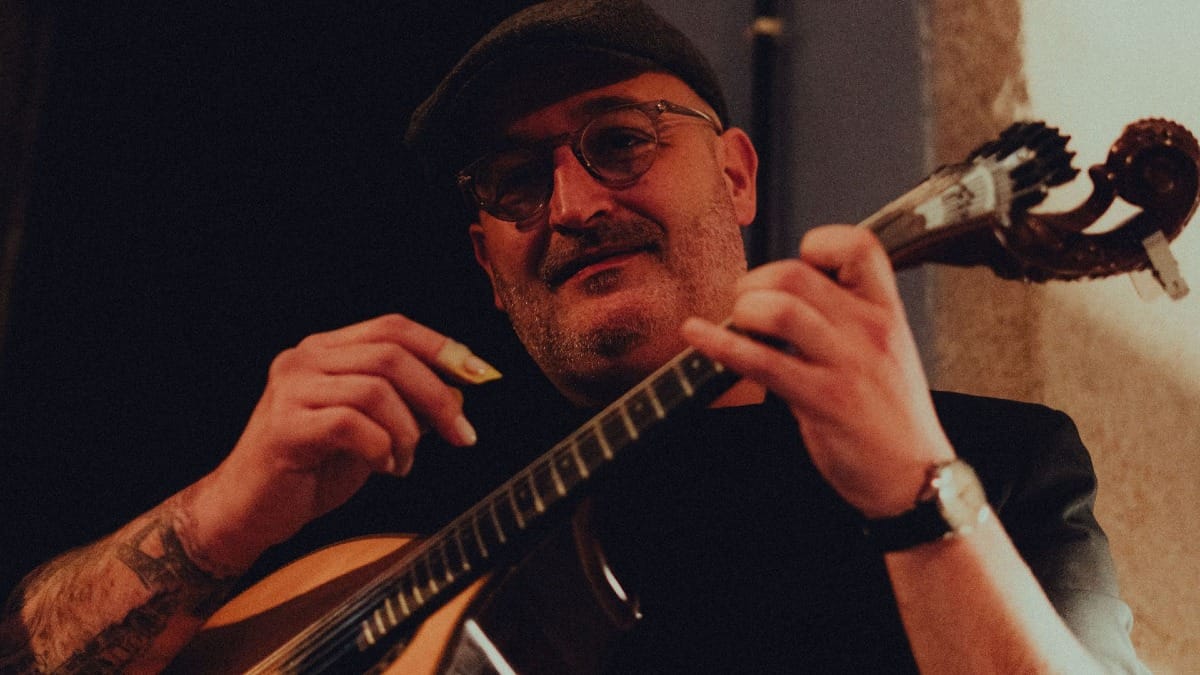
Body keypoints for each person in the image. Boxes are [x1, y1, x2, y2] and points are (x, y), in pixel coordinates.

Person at [0, 0, 1146, 672]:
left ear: (738, 177)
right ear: (487, 268)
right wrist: (222, 515)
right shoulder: (403, 473)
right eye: (513, 182)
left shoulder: (987, 467)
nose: (573, 204)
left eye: (620, 140)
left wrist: (919, 494)